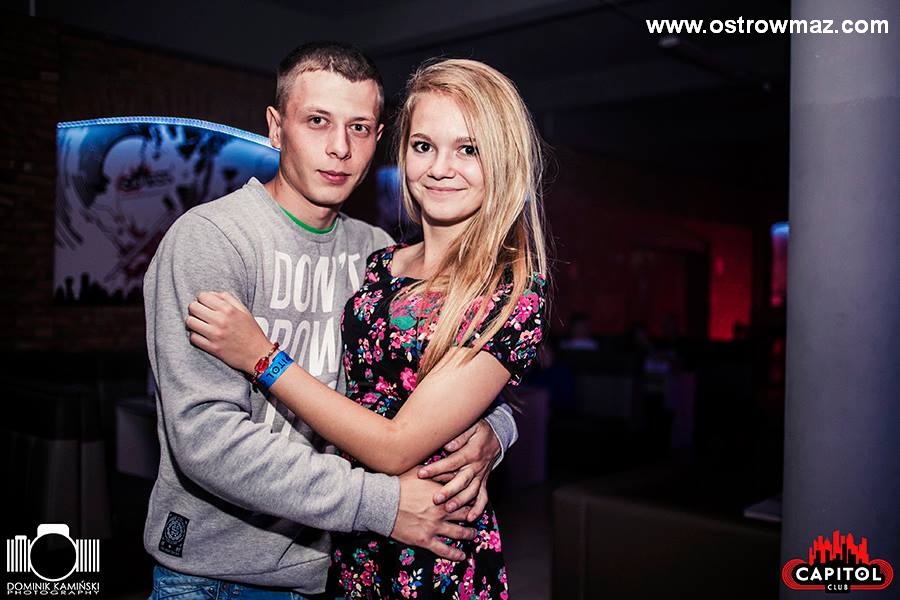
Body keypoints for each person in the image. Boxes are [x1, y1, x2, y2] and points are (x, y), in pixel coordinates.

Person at [144, 44, 519, 599]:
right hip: (219, 575)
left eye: (359, 128)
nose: (339, 148)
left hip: (337, 568)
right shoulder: (212, 240)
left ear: (378, 137)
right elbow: (206, 439)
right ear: (277, 128)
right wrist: (382, 504)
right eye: (317, 121)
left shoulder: (380, 254)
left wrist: (496, 429)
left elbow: (433, 378)